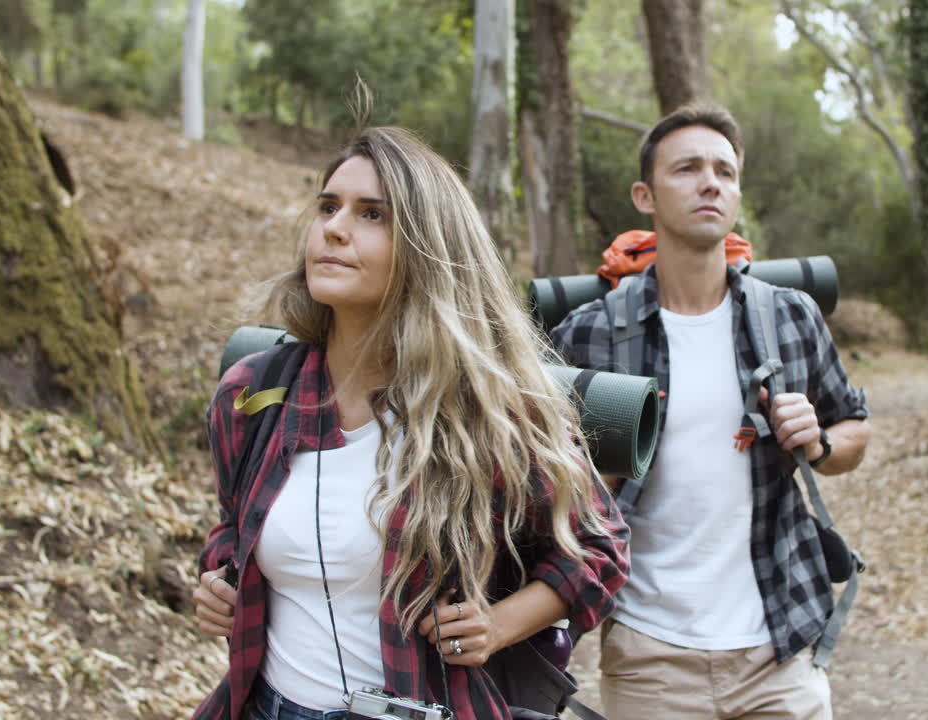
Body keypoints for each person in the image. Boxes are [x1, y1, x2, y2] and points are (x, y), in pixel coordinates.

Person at [191, 125, 629, 720]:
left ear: (426, 246)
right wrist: (220, 583)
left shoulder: (489, 412)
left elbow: (598, 550)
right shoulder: (254, 393)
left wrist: (496, 626)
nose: (334, 228)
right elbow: (233, 530)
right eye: (328, 207)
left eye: (372, 214)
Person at [550, 103, 870, 720]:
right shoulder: (588, 335)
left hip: (779, 646)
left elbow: (853, 427)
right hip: (649, 656)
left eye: (725, 171)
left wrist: (821, 443)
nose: (710, 183)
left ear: (738, 193)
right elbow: (540, 485)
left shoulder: (788, 316)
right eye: (688, 168)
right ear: (644, 195)